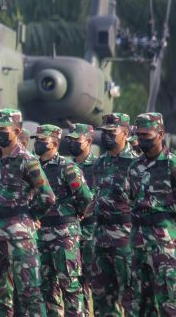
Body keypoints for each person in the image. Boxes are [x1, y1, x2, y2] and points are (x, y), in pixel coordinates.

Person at [0, 108, 55, 316]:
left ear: (16, 131)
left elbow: (47, 196)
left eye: (3, 129)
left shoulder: (27, 160)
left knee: (29, 294)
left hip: (20, 236)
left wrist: (30, 217)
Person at [32, 124, 92, 316]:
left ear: (55, 143)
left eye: (43, 140)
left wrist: (76, 214)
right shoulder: (32, 168)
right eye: (37, 140)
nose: (39, 144)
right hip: (40, 234)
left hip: (65, 234)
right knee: (46, 286)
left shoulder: (68, 168)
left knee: (70, 286)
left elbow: (86, 197)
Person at [127, 112, 176, 315]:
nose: (142, 140)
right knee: (140, 303)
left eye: (147, 135)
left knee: (168, 301)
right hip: (138, 241)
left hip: (164, 244)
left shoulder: (171, 164)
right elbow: (132, 200)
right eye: (139, 135)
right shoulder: (134, 166)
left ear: (160, 134)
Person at [91, 113, 137, 316]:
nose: (106, 137)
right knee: (102, 298)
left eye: (112, 132)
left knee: (129, 295)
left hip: (125, 239)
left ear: (125, 133)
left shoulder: (136, 164)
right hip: (101, 237)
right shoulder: (100, 163)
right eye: (104, 132)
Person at [65, 123, 98, 316]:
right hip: (69, 233)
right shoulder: (66, 166)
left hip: (90, 230)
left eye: (76, 140)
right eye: (70, 140)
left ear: (88, 141)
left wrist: (81, 211)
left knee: (94, 281)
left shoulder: (97, 166)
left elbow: (95, 197)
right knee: (75, 283)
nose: (72, 143)